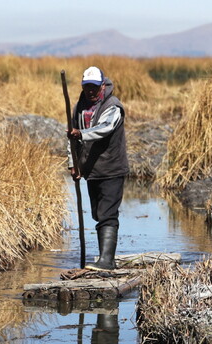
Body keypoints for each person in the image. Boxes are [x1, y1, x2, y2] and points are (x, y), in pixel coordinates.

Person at [67, 66, 130, 271]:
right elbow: (71, 139)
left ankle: (106, 261)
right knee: (97, 213)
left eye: (94, 87)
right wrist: (74, 164)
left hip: (111, 168)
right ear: (83, 86)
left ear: (102, 85)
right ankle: (107, 258)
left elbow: (105, 128)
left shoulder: (113, 106)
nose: (91, 91)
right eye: (87, 87)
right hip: (91, 170)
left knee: (107, 214)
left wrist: (81, 134)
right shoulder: (79, 107)